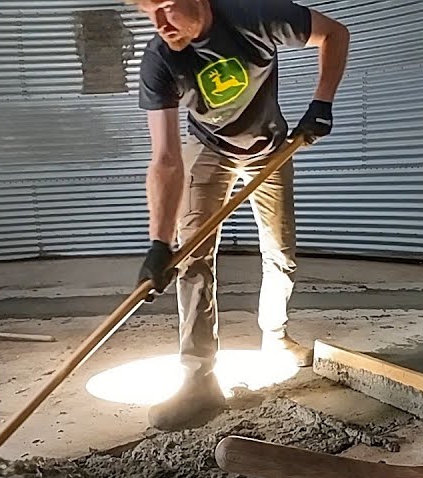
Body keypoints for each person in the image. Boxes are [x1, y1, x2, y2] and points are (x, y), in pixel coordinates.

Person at [130, 0, 350, 430]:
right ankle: (198, 380)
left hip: (270, 150)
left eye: (168, 8)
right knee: (191, 257)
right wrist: (159, 243)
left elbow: (334, 34)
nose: (159, 24)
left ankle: (275, 336)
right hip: (209, 150)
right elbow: (166, 159)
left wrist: (321, 103)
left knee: (280, 254)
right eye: (146, 11)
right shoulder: (159, 60)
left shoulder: (254, 14)